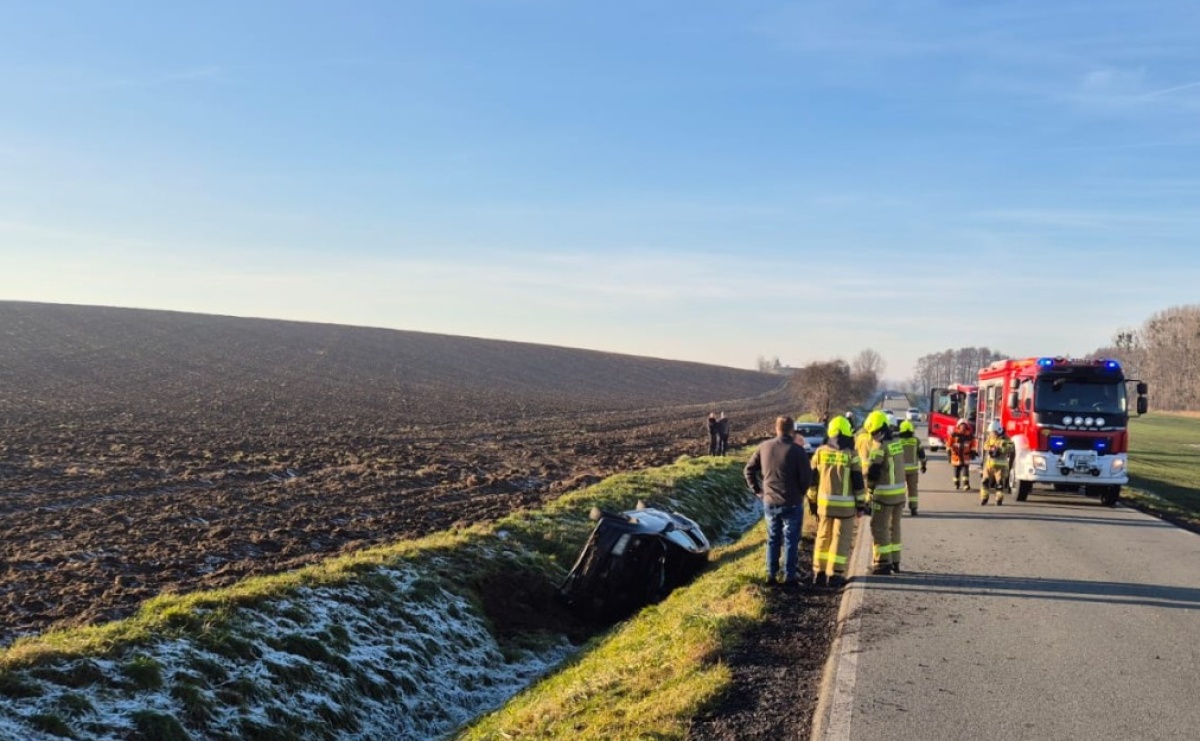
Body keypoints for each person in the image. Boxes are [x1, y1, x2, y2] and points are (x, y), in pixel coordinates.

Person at [744, 416, 813, 587]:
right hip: (792, 501)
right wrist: (801, 492)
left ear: (776, 429)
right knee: (791, 539)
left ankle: (771, 575)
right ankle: (790, 576)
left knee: (773, 538)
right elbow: (807, 478)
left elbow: (748, 470)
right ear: (792, 430)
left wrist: (758, 490)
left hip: (770, 501)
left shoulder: (764, 447)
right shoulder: (798, 451)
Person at [806, 415, 867, 589]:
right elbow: (857, 482)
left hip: (824, 506)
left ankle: (819, 573)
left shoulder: (820, 452)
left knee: (823, 537)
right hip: (846, 508)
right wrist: (861, 505)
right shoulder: (851, 454)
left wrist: (812, 500)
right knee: (841, 539)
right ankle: (835, 575)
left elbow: (813, 480)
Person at [862, 410, 908, 575]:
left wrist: (868, 491)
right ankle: (895, 561)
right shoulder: (896, 443)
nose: (873, 437)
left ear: (880, 430)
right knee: (894, 528)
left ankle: (882, 563)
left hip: (883, 496)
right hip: (899, 495)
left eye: (874, 433)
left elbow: (873, 473)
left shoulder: (879, 447)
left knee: (879, 527)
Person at [980, 420, 1015, 505]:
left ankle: (999, 499)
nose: (991, 434)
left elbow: (1012, 447)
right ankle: (984, 498)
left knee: (999, 484)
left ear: (998, 430)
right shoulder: (990, 438)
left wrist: (1001, 449)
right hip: (989, 465)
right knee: (985, 482)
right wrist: (991, 448)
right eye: (991, 432)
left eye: (992, 432)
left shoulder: (1006, 438)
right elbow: (985, 446)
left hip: (1000, 467)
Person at [897, 420, 927, 515]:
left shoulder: (897, 442)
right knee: (913, 489)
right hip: (913, 471)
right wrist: (923, 466)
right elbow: (922, 455)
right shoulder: (916, 441)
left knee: (900, 490)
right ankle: (913, 508)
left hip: (900, 471)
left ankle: (900, 508)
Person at [946, 418, 977, 491]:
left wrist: (973, 452)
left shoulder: (969, 435)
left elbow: (973, 444)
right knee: (956, 471)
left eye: (964, 425)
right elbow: (948, 444)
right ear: (958, 426)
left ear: (966, 426)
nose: (963, 427)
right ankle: (956, 484)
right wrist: (948, 453)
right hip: (956, 457)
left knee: (966, 472)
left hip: (965, 456)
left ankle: (966, 485)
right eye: (961, 425)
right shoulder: (954, 434)